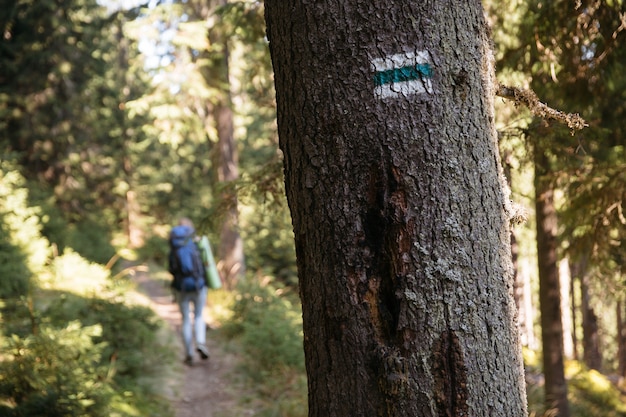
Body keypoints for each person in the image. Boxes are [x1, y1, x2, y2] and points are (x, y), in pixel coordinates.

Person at [168, 217, 210, 366]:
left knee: (185, 320)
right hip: (199, 285)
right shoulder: (196, 241)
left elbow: (171, 268)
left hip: (181, 287)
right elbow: (207, 264)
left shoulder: (174, 245)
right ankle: (200, 343)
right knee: (198, 316)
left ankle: (189, 354)